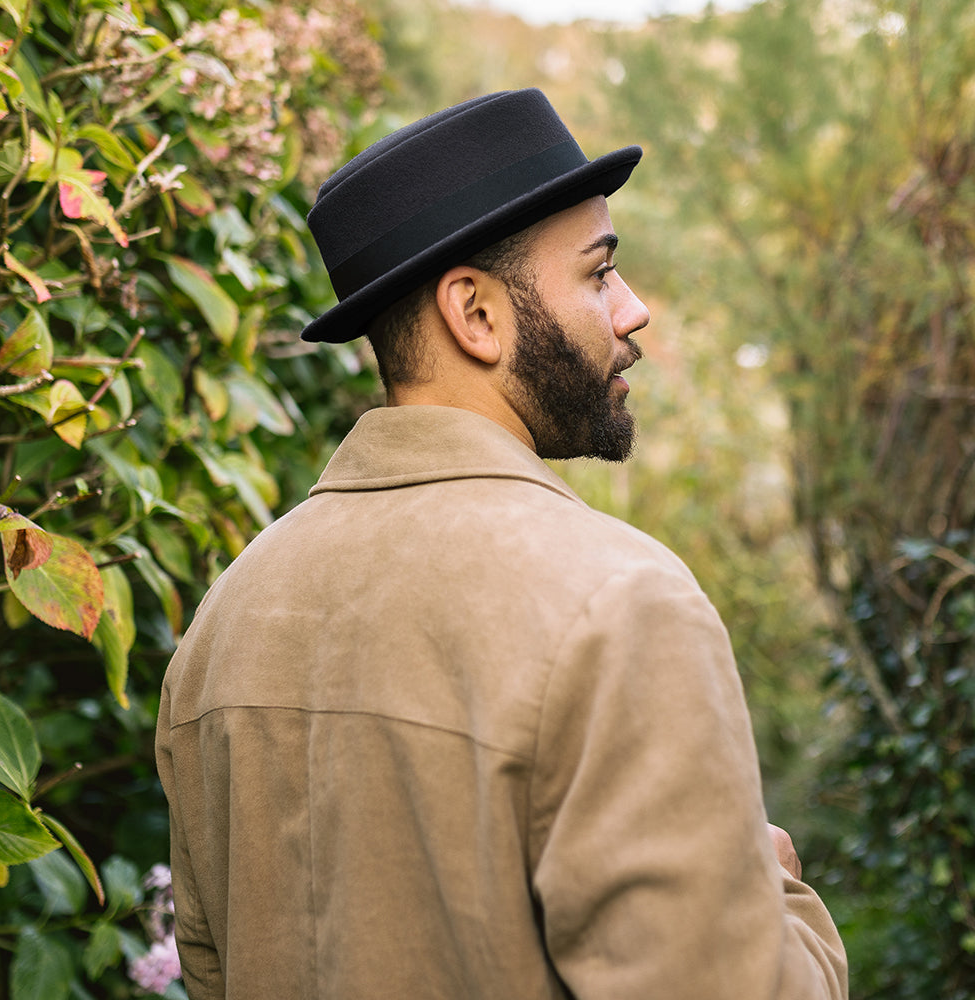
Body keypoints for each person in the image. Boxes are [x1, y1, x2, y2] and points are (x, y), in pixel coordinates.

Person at [155, 88, 848, 999]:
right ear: (475, 314)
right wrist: (776, 891)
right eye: (599, 274)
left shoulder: (225, 622)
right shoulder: (620, 601)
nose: (633, 312)